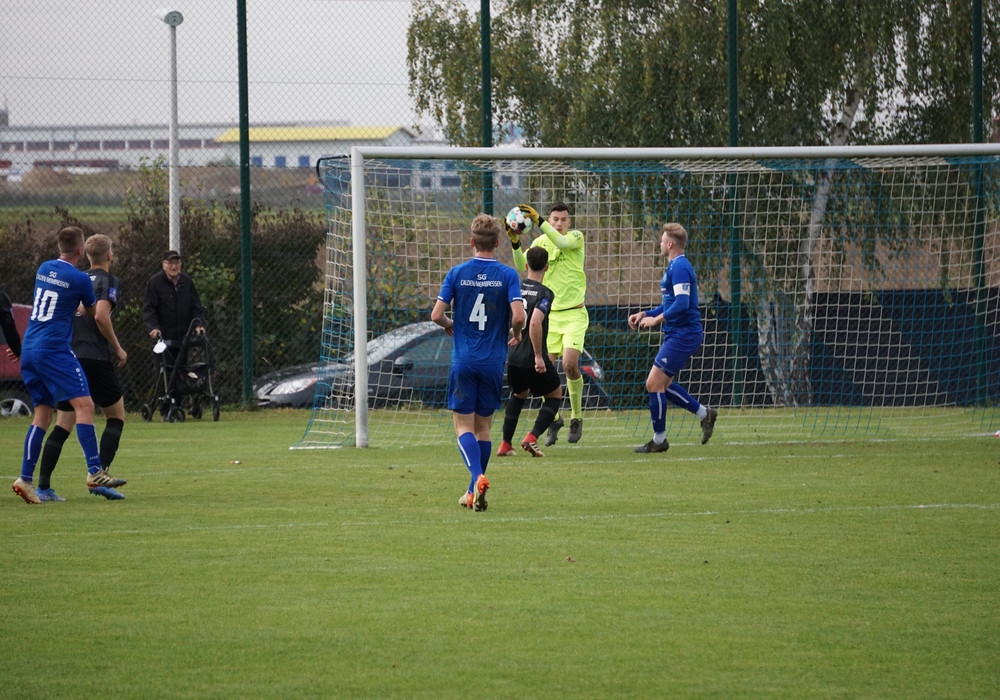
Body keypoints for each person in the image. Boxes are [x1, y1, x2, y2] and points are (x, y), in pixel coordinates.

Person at [10, 226, 127, 504]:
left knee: (42, 415)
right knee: (85, 406)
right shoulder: (80, 279)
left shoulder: (44, 268)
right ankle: (95, 472)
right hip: (55, 349)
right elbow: (92, 312)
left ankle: (26, 480)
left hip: (30, 347)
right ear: (80, 251)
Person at [431, 214, 525, 512]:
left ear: (472, 242)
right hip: (493, 363)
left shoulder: (457, 273)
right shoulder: (508, 275)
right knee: (483, 428)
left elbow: (436, 315)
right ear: (497, 243)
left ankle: (477, 478)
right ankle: (473, 491)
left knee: (463, 426)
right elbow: (519, 316)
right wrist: (516, 334)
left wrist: (451, 324)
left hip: (465, 361)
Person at [627, 223, 718, 454]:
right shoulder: (674, 266)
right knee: (663, 386)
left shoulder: (680, 267)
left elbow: (682, 304)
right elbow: (670, 303)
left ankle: (659, 440)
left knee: (653, 384)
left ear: (669, 244)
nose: (659, 243)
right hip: (677, 334)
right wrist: (645, 314)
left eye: (662, 240)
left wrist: (656, 320)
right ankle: (705, 414)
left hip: (684, 335)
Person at [511, 202, 588, 446]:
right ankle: (554, 419)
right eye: (555, 219)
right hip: (549, 317)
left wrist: (540, 221)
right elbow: (521, 265)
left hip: (574, 314)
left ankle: (576, 416)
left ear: (569, 222)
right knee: (542, 372)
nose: (559, 223)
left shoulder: (575, 238)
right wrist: (515, 242)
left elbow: (562, 242)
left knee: (570, 364)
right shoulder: (540, 242)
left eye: (563, 219)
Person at [496, 246, 563, 458]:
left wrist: (513, 333)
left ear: (526, 265)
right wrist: (538, 356)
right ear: (547, 267)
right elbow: (534, 322)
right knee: (555, 395)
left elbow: (509, 315)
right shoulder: (545, 293)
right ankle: (532, 437)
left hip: (513, 354)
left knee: (518, 394)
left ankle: (505, 444)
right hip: (531, 356)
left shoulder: (516, 287)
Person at [142, 249, 205, 415]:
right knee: (164, 372)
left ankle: (177, 405)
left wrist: (198, 325)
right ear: (164, 265)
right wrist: (153, 328)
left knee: (181, 372)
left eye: (177, 263)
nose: (174, 266)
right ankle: (165, 408)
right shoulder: (154, 283)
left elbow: (196, 306)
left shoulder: (186, 282)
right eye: (170, 263)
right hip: (163, 338)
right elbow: (149, 309)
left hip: (183, 337)